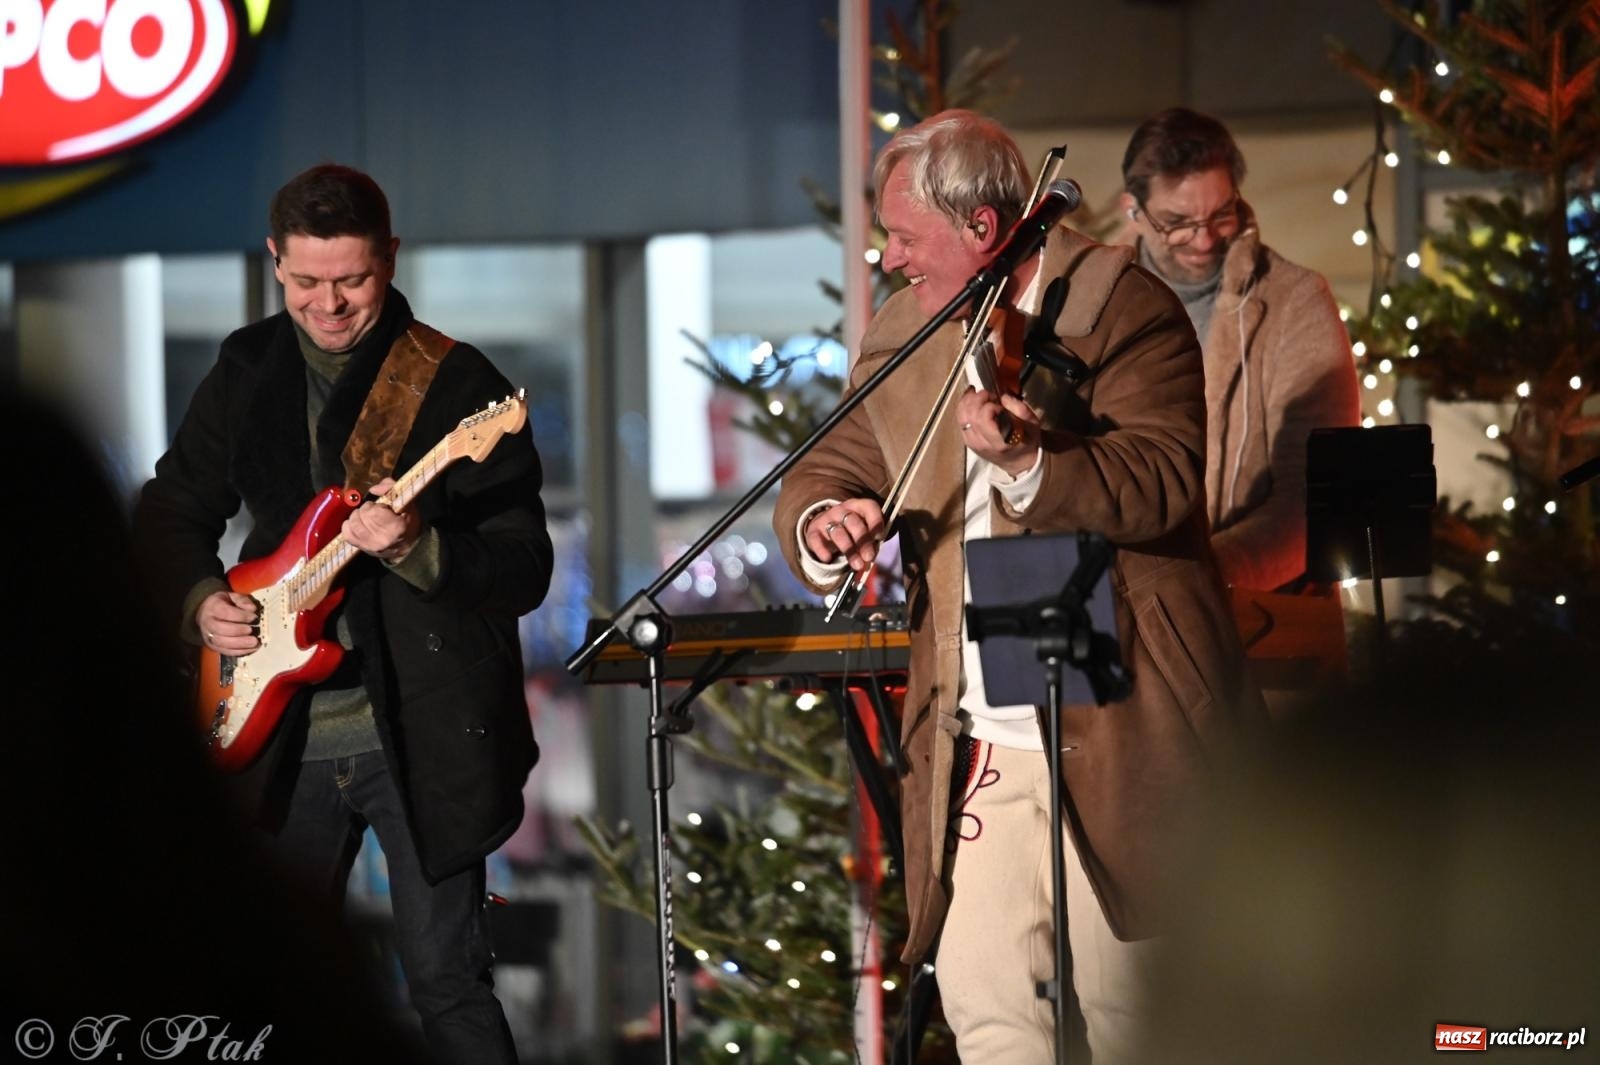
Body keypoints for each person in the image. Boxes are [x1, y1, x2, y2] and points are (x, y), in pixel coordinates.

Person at [773, 110, 1263, 1063]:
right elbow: (831, 461)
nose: (889, 256)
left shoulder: (1122, 305)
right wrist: (823, 522)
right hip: (976, 724)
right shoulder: (908, 327)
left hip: (1120, 709)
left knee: (1139, 1020)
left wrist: (1035, 456)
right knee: (989, 1011)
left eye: (906, 237)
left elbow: (1163, 478)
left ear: (983, 232)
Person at [132, 164, 552, 1065]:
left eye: (353, 280)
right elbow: (169, 512)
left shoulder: (459, 384)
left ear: (391, 259)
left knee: (448, 981)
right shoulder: (247, 367)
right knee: (260, 988)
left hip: (422, 731)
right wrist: (203, 601)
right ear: (274, 261)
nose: (328, 304)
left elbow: (524, 568)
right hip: (276, 732)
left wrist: (416, 547)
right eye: (307, 281)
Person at [1119, 108, 1361, 591]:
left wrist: (1203, 584)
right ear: (1133, 212)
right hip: (1119, 619)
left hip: (1260, 620)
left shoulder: (1296, 302)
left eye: (1221, 214)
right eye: (1177, 222)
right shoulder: (1094, 301)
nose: (1204, 239)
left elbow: (1314, 498)